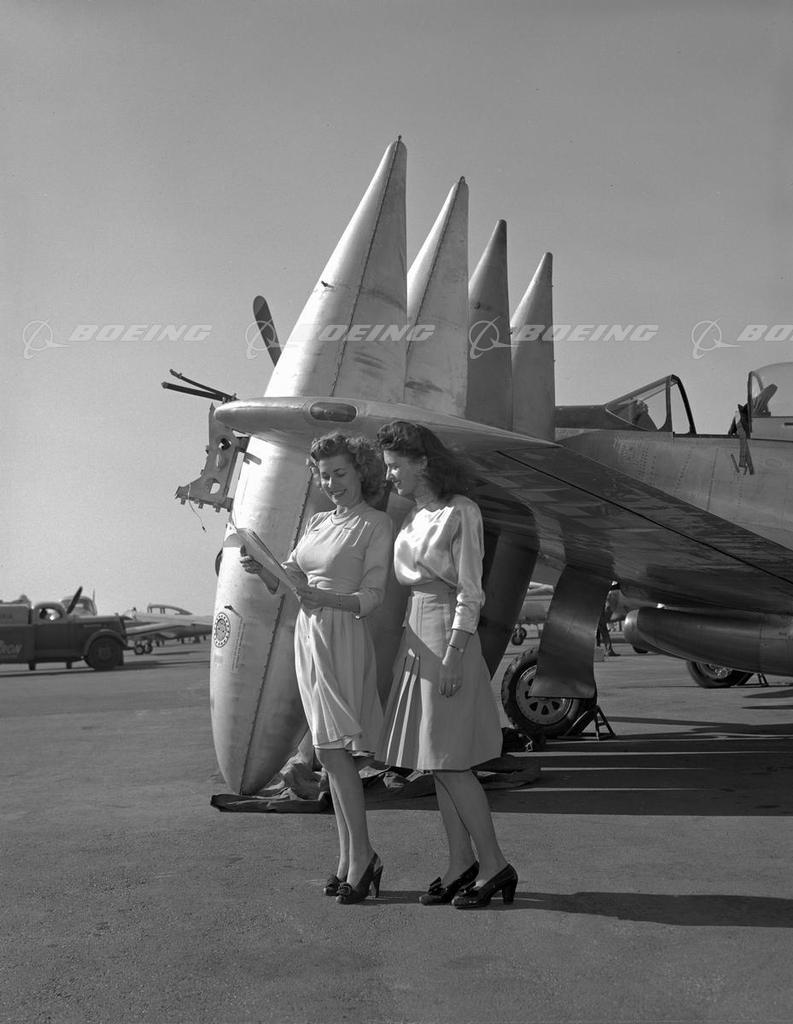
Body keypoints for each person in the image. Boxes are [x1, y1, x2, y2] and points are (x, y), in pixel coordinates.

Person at [240, 432, 393, 905]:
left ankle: (363, 857)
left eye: (340, 473)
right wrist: (262, 567)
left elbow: (373, 597)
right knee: (329, 754)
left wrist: (324, 597)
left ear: (361, 471)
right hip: (309, 636)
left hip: (342, 634)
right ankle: (349, 859)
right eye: (324, 476)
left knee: (333, 751)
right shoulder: (319, 521)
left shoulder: (375, 523)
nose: (331, 483)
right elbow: (290, 575)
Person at [376, 420, 517, 909]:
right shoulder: (413, 518)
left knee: (452, 763)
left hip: (446, 639)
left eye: (395, 466)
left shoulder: (462, 511)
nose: (389, 475)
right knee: (435, 762)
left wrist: (455, 655)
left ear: (422, 462)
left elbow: (470, 593)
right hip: (416, 637)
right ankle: (461, 862)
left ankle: (495, 864)